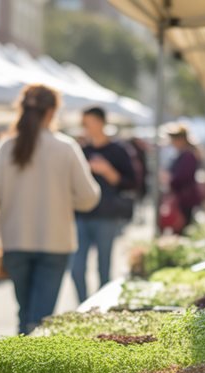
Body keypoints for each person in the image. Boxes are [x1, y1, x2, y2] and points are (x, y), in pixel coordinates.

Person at [0, 85, 100, 335]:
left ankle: (18, 365)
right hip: (56, 241)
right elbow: (89, 197)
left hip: (14, 240)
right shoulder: (66, 148)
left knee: (24, 313)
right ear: (52, 111)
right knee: (41, 318)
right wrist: (63, 201)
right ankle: (29, 367)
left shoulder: (6, 147)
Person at [70, 107, 137, 302]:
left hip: (107, 215)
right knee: (77, 267)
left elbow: (132, 183)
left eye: (87, 122)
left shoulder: (119, 150)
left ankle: (102, 307)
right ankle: (83, 306)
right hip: (81, 214)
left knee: (104, 267)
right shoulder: (81, 151)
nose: (85, 127)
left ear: (100, 122)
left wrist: (108, 171)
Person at [165, 125, 203, 229]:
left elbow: (183, 177)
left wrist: (169, 180)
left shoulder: (188, 155)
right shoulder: (185, 153)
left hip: (185, 198)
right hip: (183, 196)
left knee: (182, 226)